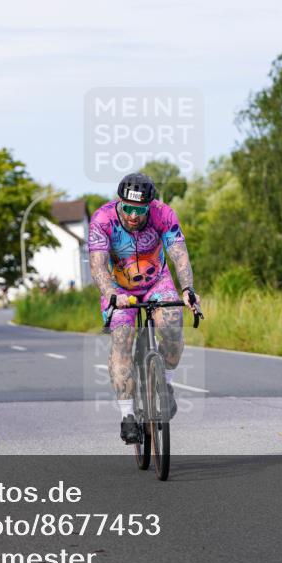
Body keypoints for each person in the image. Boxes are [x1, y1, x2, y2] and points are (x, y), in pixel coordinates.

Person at [87, 172, 201, 444]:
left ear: (149, 206)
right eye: (128, 209)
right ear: (119, 202)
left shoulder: (163, 214)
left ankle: (166, 384)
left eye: (140, 210)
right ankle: (127, 415)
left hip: (156, 281)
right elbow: (98, 266)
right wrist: (112, 293)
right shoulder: (103, 220)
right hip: (118, 288)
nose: (134, 216)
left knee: (173, 324)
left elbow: (179, 254)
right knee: (122, 340)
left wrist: (187, 289)